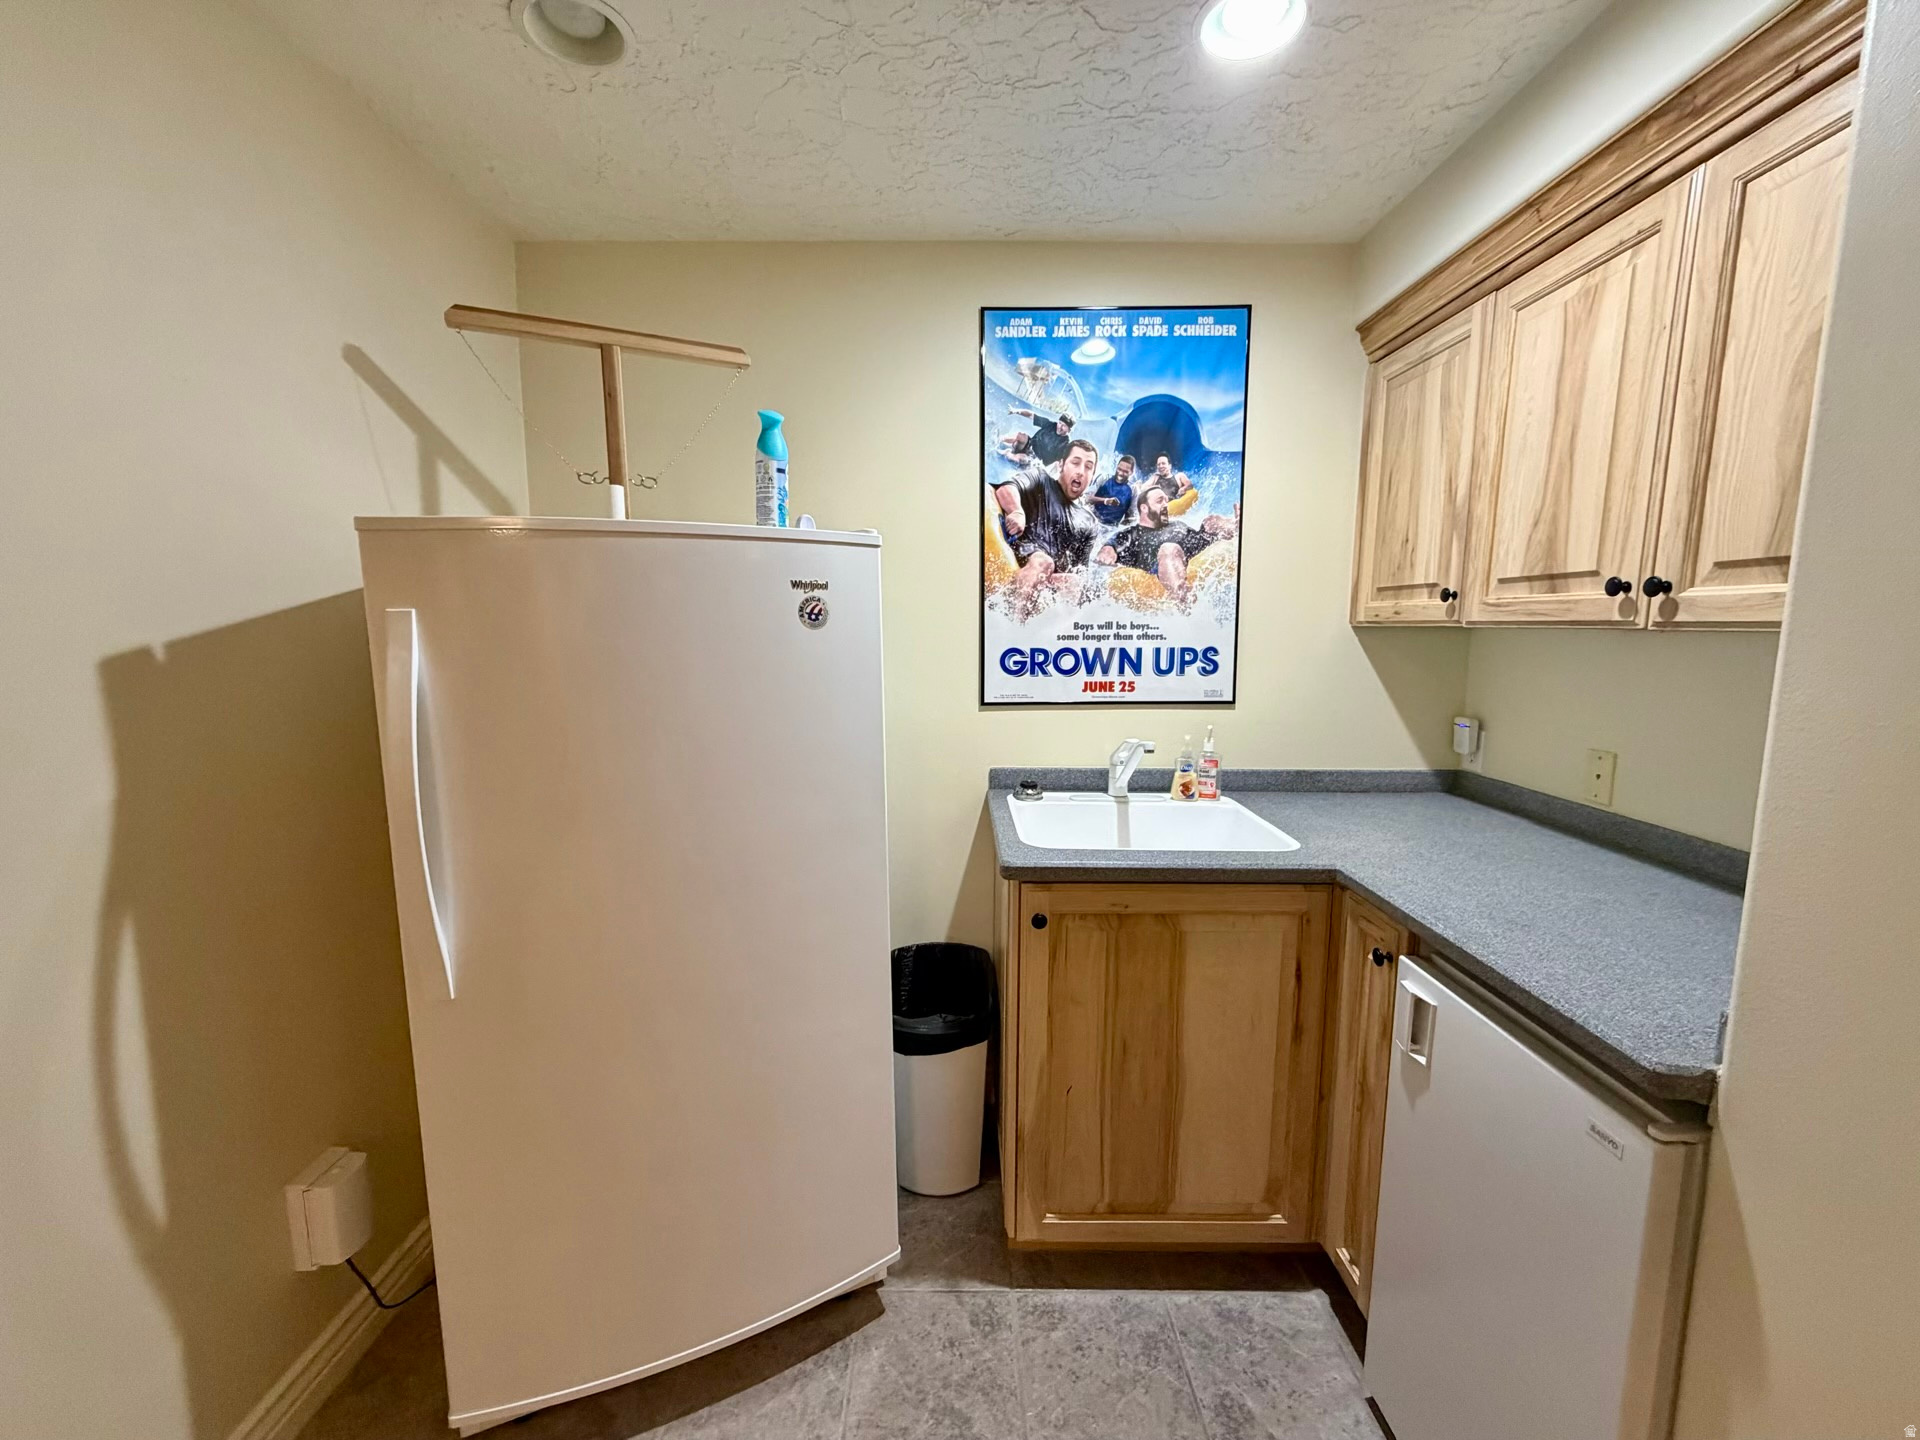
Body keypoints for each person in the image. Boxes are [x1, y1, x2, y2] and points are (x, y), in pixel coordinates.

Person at [994, 437, 1101, 602]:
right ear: (1061, 465)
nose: (1081, 471)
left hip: (1046, 583)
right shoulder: (1041, 479)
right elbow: (1007, 488)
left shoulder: (1090, 523)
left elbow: (1080, 570)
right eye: (1075, 463)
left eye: (1088, 467)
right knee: (1043, 562)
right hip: (1022, 560)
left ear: (1092, 476)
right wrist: (1016, 511)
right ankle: (1013, 617)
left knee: (1075, 583)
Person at [1096, 485, 1238, 599]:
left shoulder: (1176, 524)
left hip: (1194, 555)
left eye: (1166, 500)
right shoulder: (1131, 534)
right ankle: (1181, 596)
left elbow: (1200, 537)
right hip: (1166, 570)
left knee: (1210, 521)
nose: (1166, 504)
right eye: (1160, 501)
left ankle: (1237, 525)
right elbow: (1109, 549)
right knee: (1169, 548)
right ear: (1144, 508)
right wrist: (1106, 556)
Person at [1007, 406, 1075, 466]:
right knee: (1021, 435)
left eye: (1064, 426)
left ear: (1069, 430)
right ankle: (1002, 440)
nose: (1060, 427)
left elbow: (1059, 463)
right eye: (1060, 423)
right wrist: (1016, 411)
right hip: (1030, 446)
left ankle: (1007, 454)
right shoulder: (1050, 425)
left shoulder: (1066, 444)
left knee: (1022, 458)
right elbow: (1031, 415)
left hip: (1035, 460)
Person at [1089, 453, 1138, 527]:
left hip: (1111, 528)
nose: (1120, 473)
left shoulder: (1133, 490)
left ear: (1131, 473)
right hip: (1091, 522)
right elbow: (1087, 498)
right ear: (1116, 467)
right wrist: (1106, 501)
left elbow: (1132, 516)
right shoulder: (1104, 478)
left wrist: (1119, 530)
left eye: (1125, 472)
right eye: (1119, 469)